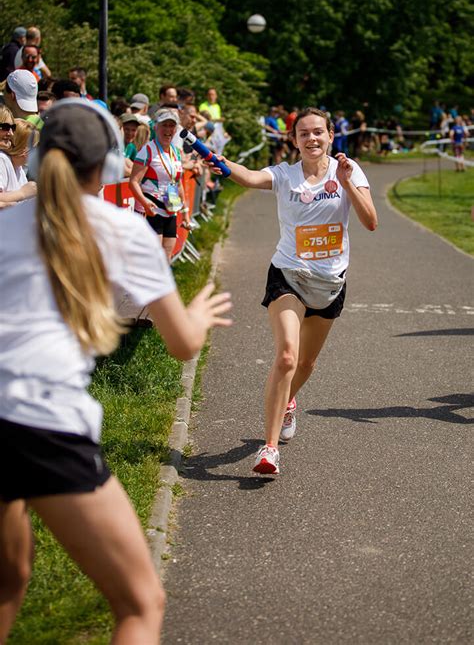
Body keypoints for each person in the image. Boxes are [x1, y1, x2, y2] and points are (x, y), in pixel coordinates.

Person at [0, 99, 232, 643]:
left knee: (8, 579)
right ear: (108, 162)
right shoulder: (123, 230)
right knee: (139, 603)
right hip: (41, 421)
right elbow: (180, 344)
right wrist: (198, 313)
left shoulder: (6, 223)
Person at [208, 107, 377, 475]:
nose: (312, 139)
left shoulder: (348, 171)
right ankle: (268, 449)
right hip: (288, 274)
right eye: (304, 133)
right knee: (287, 356)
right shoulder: (284, 174)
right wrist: (222, 163)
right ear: (294, 140)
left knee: (306, 363)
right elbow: (252, 178)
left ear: (331, 135)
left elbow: (370, 221)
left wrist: (347, 182)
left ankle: (288, 402)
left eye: (318, 132)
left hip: (330, 281)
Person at [129, 109, 192, 262]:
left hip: (170, 209)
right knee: (152, 259)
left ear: (176, 130)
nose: (168, 130)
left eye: (172, 126)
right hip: (152, 210)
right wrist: (144, 203)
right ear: (156, 127)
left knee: (166, 259)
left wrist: (185, 214)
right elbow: (133, 182)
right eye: (164, 125)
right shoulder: (147, 150)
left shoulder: (176, 152)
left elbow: (178, 185)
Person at [0, 107, 37, 205]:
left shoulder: (18, 168)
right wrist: (22, 193)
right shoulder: (2, 159)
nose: (11, 133)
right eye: (5, 127)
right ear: (21, 146)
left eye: (12, 128)